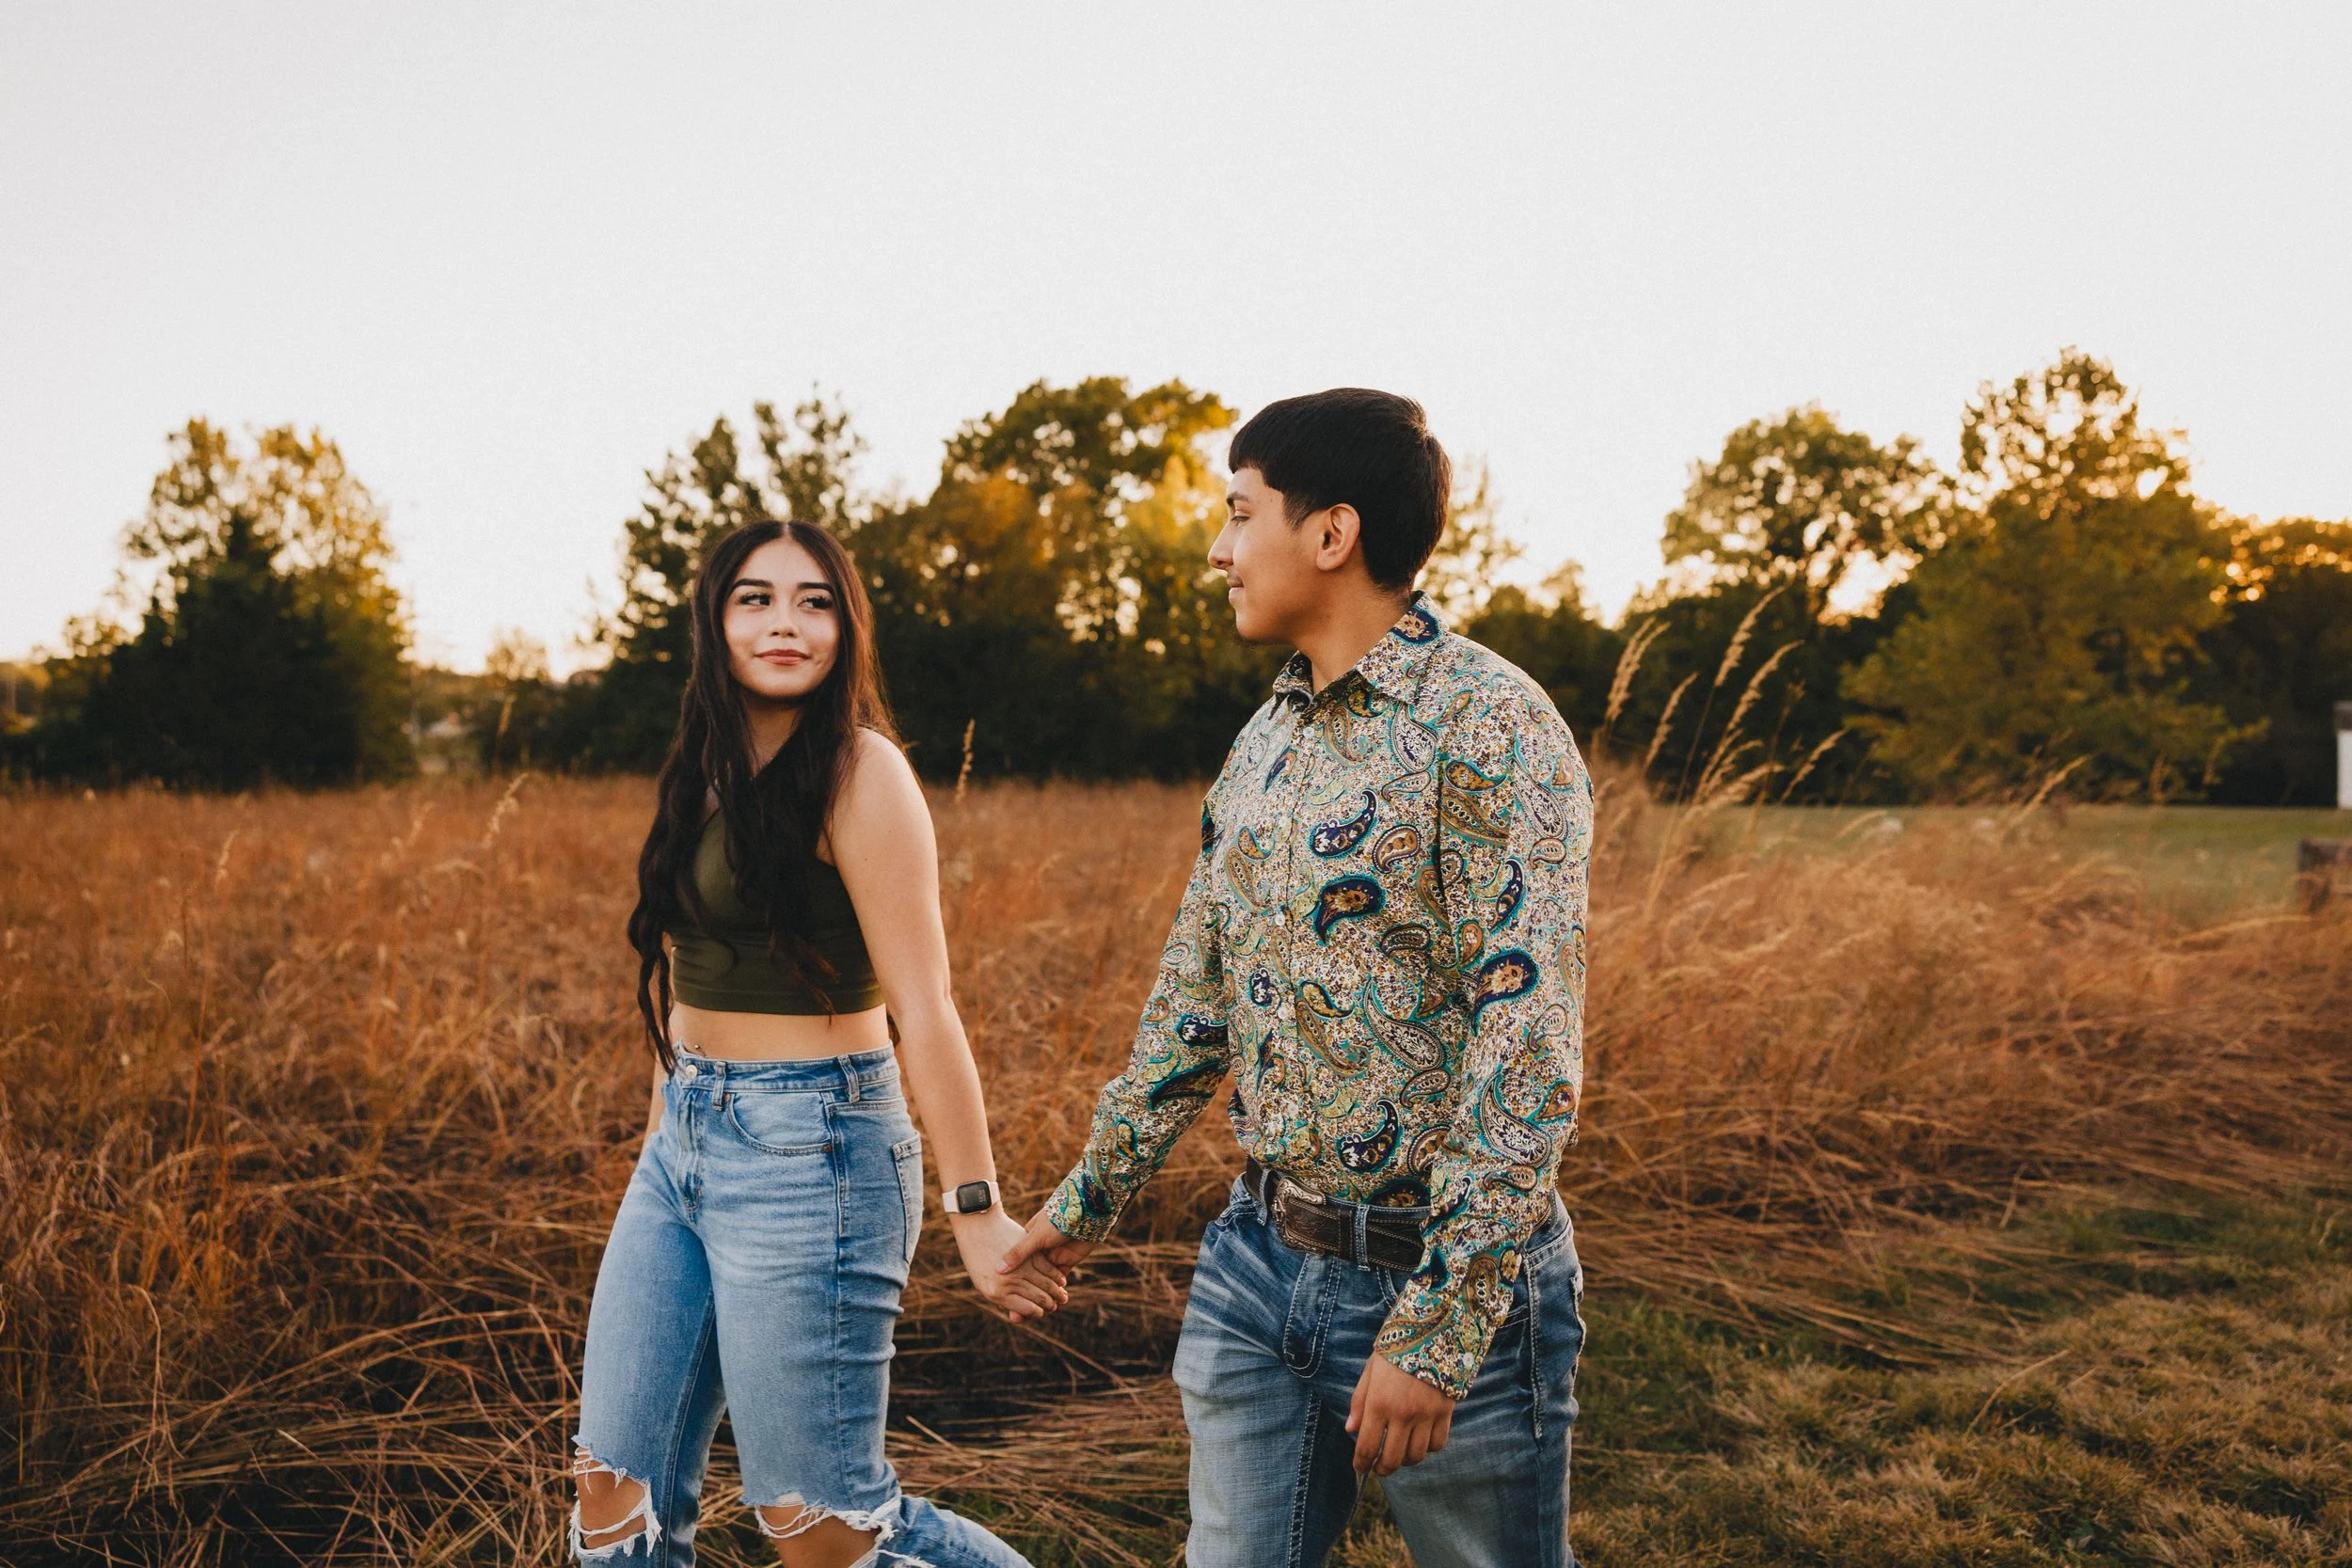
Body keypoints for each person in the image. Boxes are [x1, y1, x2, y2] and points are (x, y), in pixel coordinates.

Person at [1002, 389, 1593, 1567]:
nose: (1218, 550)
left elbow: (1526, 1046)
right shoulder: (1266, 736)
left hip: (1439, 1271)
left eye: (1238, 512)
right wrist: (1082, 1204)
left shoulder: (1490, 728)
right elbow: (1193, 1003)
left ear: (1333, 534)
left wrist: (1438, 1327)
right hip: (1255, 1267)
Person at [569, 518, 1064, 1568]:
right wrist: (673, 1124)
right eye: (754, 597)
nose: (784, 622)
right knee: (614, 1502)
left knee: (823, 1528)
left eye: (814, 599)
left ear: (845, 624)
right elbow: (694, 968)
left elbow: (925, 1005)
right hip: (687, 1146)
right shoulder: (704, 764)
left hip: (816, 1146)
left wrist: (975, 1209)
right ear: (716, 619)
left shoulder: (859, 771)